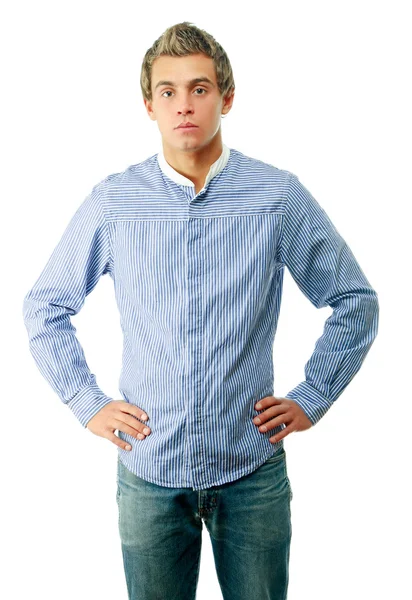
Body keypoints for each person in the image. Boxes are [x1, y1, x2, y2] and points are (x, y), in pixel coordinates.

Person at [22, 21, 379, 600]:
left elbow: (355, 300)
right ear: (149, 105)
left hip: (250, 472)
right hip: (149, 474)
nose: (183, 104)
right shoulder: (114, 201)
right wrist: (87, 404)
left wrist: (313, 397)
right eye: (168, 91)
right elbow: (45, 307)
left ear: (226, 97)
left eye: (199, 88)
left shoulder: (276, 196)